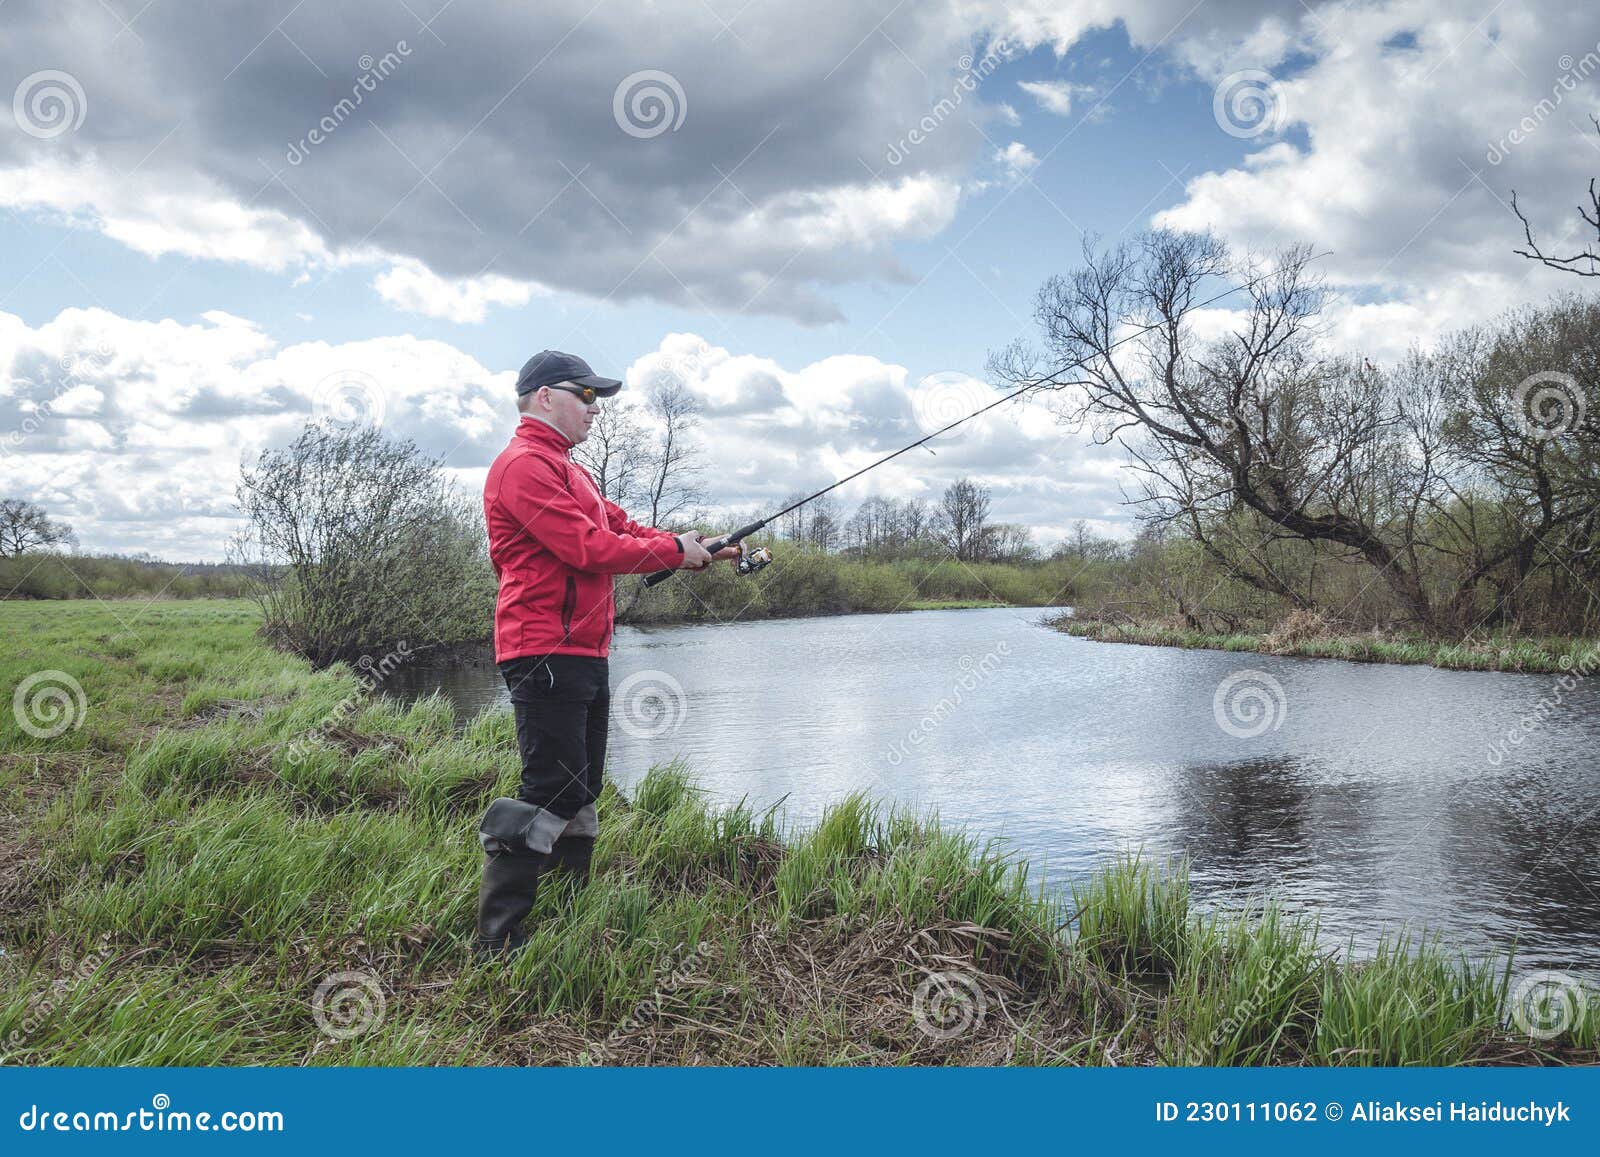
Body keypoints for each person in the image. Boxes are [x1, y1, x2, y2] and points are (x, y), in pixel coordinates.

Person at [474, 349, 736, 956]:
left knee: (583, 785)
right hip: (542, 649)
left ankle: (569, 909)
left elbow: (621, 528)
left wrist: (696, 545)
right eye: (586, 396)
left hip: (583, 650)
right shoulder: (523, 467)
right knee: (550, 786)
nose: (596, 409)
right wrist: (673, 552)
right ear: (544, 397)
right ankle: (498, 937)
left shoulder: (570, 470)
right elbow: (589, 548)